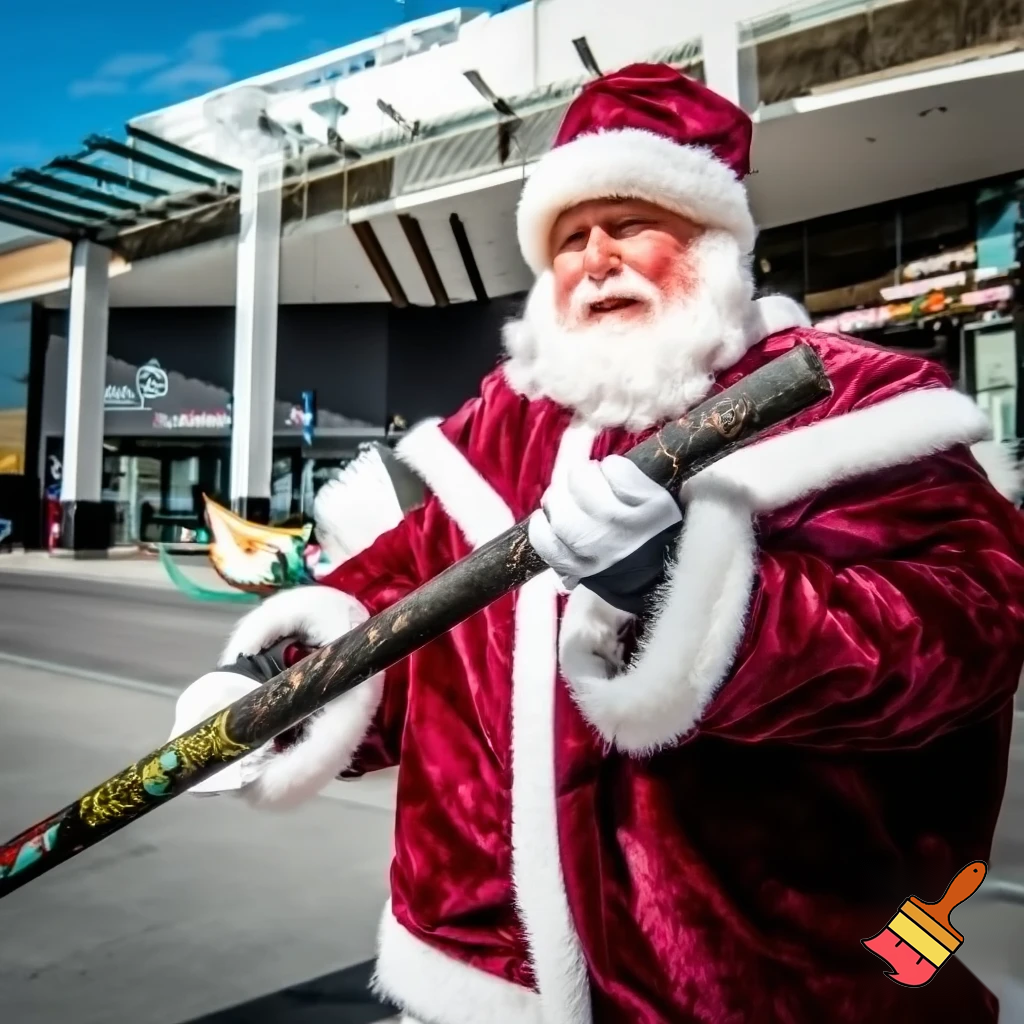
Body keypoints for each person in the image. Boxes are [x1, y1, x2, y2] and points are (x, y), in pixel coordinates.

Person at [169, 64, 1024, 1023]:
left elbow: (966, 633)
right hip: (478, 980)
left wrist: (687, 597)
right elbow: (401, 622)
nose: (595, 257)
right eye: (570, 236)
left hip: (756, 981)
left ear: (714, 242)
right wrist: (274, 692)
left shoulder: (848, 401)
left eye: (632, 223)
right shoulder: (493, 435)